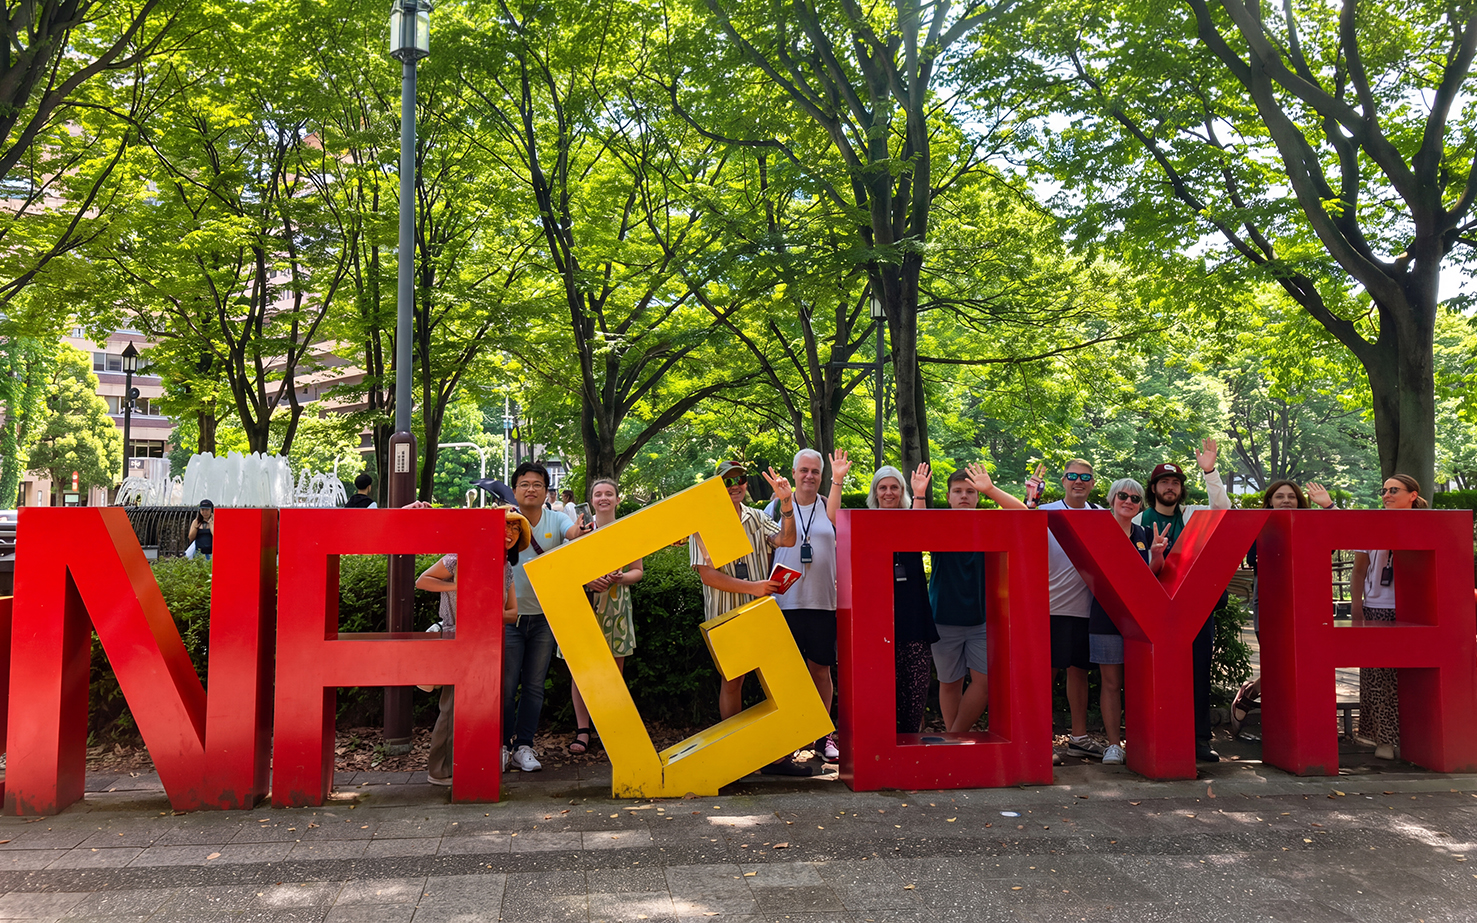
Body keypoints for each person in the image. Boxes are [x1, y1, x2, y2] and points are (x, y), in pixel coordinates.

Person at [689, 460, 807, 775]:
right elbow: (707, 575)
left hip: (758, 611)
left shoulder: (756, 517)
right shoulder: (704, 522)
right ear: (717, 488)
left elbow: (786, 540)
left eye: (739, 479)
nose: (735, 485)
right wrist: (754, 586)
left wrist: (785, 503)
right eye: (728, 482)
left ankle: (778, 755)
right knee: (733, 680)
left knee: (774, 676)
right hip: (725, 615)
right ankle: (734, 753)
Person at [416, 506, 530, 783]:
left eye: (516, 529)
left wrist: (487, 612)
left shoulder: (506, 568)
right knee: (452, 706)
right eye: (507, 525)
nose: (510, 533)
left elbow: (513, 612)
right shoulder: (459, 557)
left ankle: (469, 764)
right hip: (456, 637)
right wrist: (461, 586)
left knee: (479, 707)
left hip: (487, 643)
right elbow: (423, 580)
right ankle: (440, 770)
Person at [1133, 438, 1230, 762]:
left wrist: (1210, 471)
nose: (1170, 487)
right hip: (1151, 611)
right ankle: (1155, 738)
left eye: (1175, 482)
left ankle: (1199, 739)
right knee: (1153, 678)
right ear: (1154, 487)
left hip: (1194, 610)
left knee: (1199, 673)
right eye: (1164, 482)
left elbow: (1223, 510)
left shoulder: (1194, 515)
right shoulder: (1138, 521)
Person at [1230, 479, 1333, 738]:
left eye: (1291, 496)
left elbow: (1337, 539)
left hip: (1307, 601)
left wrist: (1329, 507)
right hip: (1271, 598)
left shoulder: (1312, 527)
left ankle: (1251, 696)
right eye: (1279, 496)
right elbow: (1255, 560)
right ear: (1270, 502)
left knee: (1304, 661)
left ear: (1300, 501)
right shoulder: (1260, 526)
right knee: (1278, 662)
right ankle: (1272, 719)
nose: (1286, 500)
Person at [928, 464, 1026, 734]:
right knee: (949, 682)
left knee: (985, 682)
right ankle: (956, 742)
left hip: (981, 621)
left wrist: (992, 489)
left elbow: (1025, 516)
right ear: (948, 497)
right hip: (942, 618)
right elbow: (911, 526)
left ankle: (953, 737)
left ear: (977, 496)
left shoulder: (991, 523)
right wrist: (918, 495)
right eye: (957, 491)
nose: (963, 496)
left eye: (970, 491)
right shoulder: (936, 523)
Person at [506, 462, 592, 772]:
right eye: (525, 484)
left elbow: (572, 533)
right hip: (508, 618)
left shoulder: (556, 519)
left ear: (546, 491)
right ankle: (501, 746)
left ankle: (523, 746)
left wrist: (580, 530)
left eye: (538, 484)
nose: (531, 489)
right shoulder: (504, 520)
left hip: (543, 617)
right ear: (515, 489)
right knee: (505, 684)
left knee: (533, 686)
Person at [764, 449, 846, 762]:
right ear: (794, 473)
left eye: (815, 471)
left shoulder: (829, 505)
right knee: (786, 675)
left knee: (820, 671)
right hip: (784, 601)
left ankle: (822, 737)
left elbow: (839, 527)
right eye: (804, 470)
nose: (809, 476)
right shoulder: (775, 506)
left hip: (823, 603)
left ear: (821, 476)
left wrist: (838, 481)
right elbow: (767, 546)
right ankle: (788, 737)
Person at [1089, 479, 1168, 765]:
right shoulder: (1097, 531)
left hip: (1141, 619)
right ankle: (1113, 745)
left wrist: (1157, 555)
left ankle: (1142, 741)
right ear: (1111, 499)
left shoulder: (1147, 534)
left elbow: (1151, 576)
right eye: (1122, 496)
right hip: (1105, 616)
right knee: (1111, 683)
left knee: (1141, 682)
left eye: (1135, 499)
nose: (1128, 501)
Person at [564, 478, 644, 755]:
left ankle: (611, 728)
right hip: (585, 604)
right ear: (592, 499)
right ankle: (583, 729)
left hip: (617, 606)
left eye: (609, 493)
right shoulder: (581, 530)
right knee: (581, 669)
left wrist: (621, 578)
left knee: (615, 670)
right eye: (598, 494)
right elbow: (568, 568)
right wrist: (588, 582)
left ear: (618, 499)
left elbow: (638, 571)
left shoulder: (628, 531)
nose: (604, 498)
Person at [1350, 473, 1427, 761]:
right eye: (1384, 490)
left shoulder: (1426, 526)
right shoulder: (1369, 525)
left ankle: (1413, 737)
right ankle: (1383, 739)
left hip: (1415, 609)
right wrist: (1357, 609)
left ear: (1412, 495)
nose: (1387, 494)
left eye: (1394, 490)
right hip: (1376, 607)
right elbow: (1359, 570)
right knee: (1377, 675)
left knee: (1409, 676)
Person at [1034, 459, 1105, 761]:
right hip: (1048, 610)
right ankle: (1039, 742)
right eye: (1073, 476)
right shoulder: (1042, 513)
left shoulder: (1102, 517)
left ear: (1092, 483)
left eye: (1085, 477)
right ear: (1063, 481)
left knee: (1079, 675)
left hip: (1086, 611)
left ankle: (1078, 738)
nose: (1079, 482)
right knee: (1044, 677)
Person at [865, 463, 939, 733]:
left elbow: (919, 532)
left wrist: (920, 494)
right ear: (875, 492)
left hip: (913, 614)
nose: (888, 492)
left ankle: (911, 745)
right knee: (881, 688)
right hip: (877, 618)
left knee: (915, 688)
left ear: (902, 491)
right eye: (882, 488)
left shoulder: (910, 517)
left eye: (894, 487)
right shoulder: (866, 523)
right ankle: (882, 746)